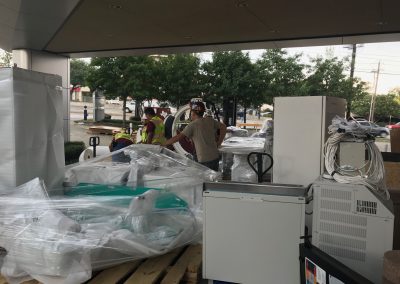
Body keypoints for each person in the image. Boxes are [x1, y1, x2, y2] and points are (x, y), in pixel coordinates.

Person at [163, 101, 227, 171]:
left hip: (204, 160)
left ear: (192, 113)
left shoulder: (192, 125)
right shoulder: (210, 120)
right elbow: (223, 127)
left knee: (203, 180)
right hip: (215, 156)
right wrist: (219, 142)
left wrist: (163, 144)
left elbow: (178, 137)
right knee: (213, 179)